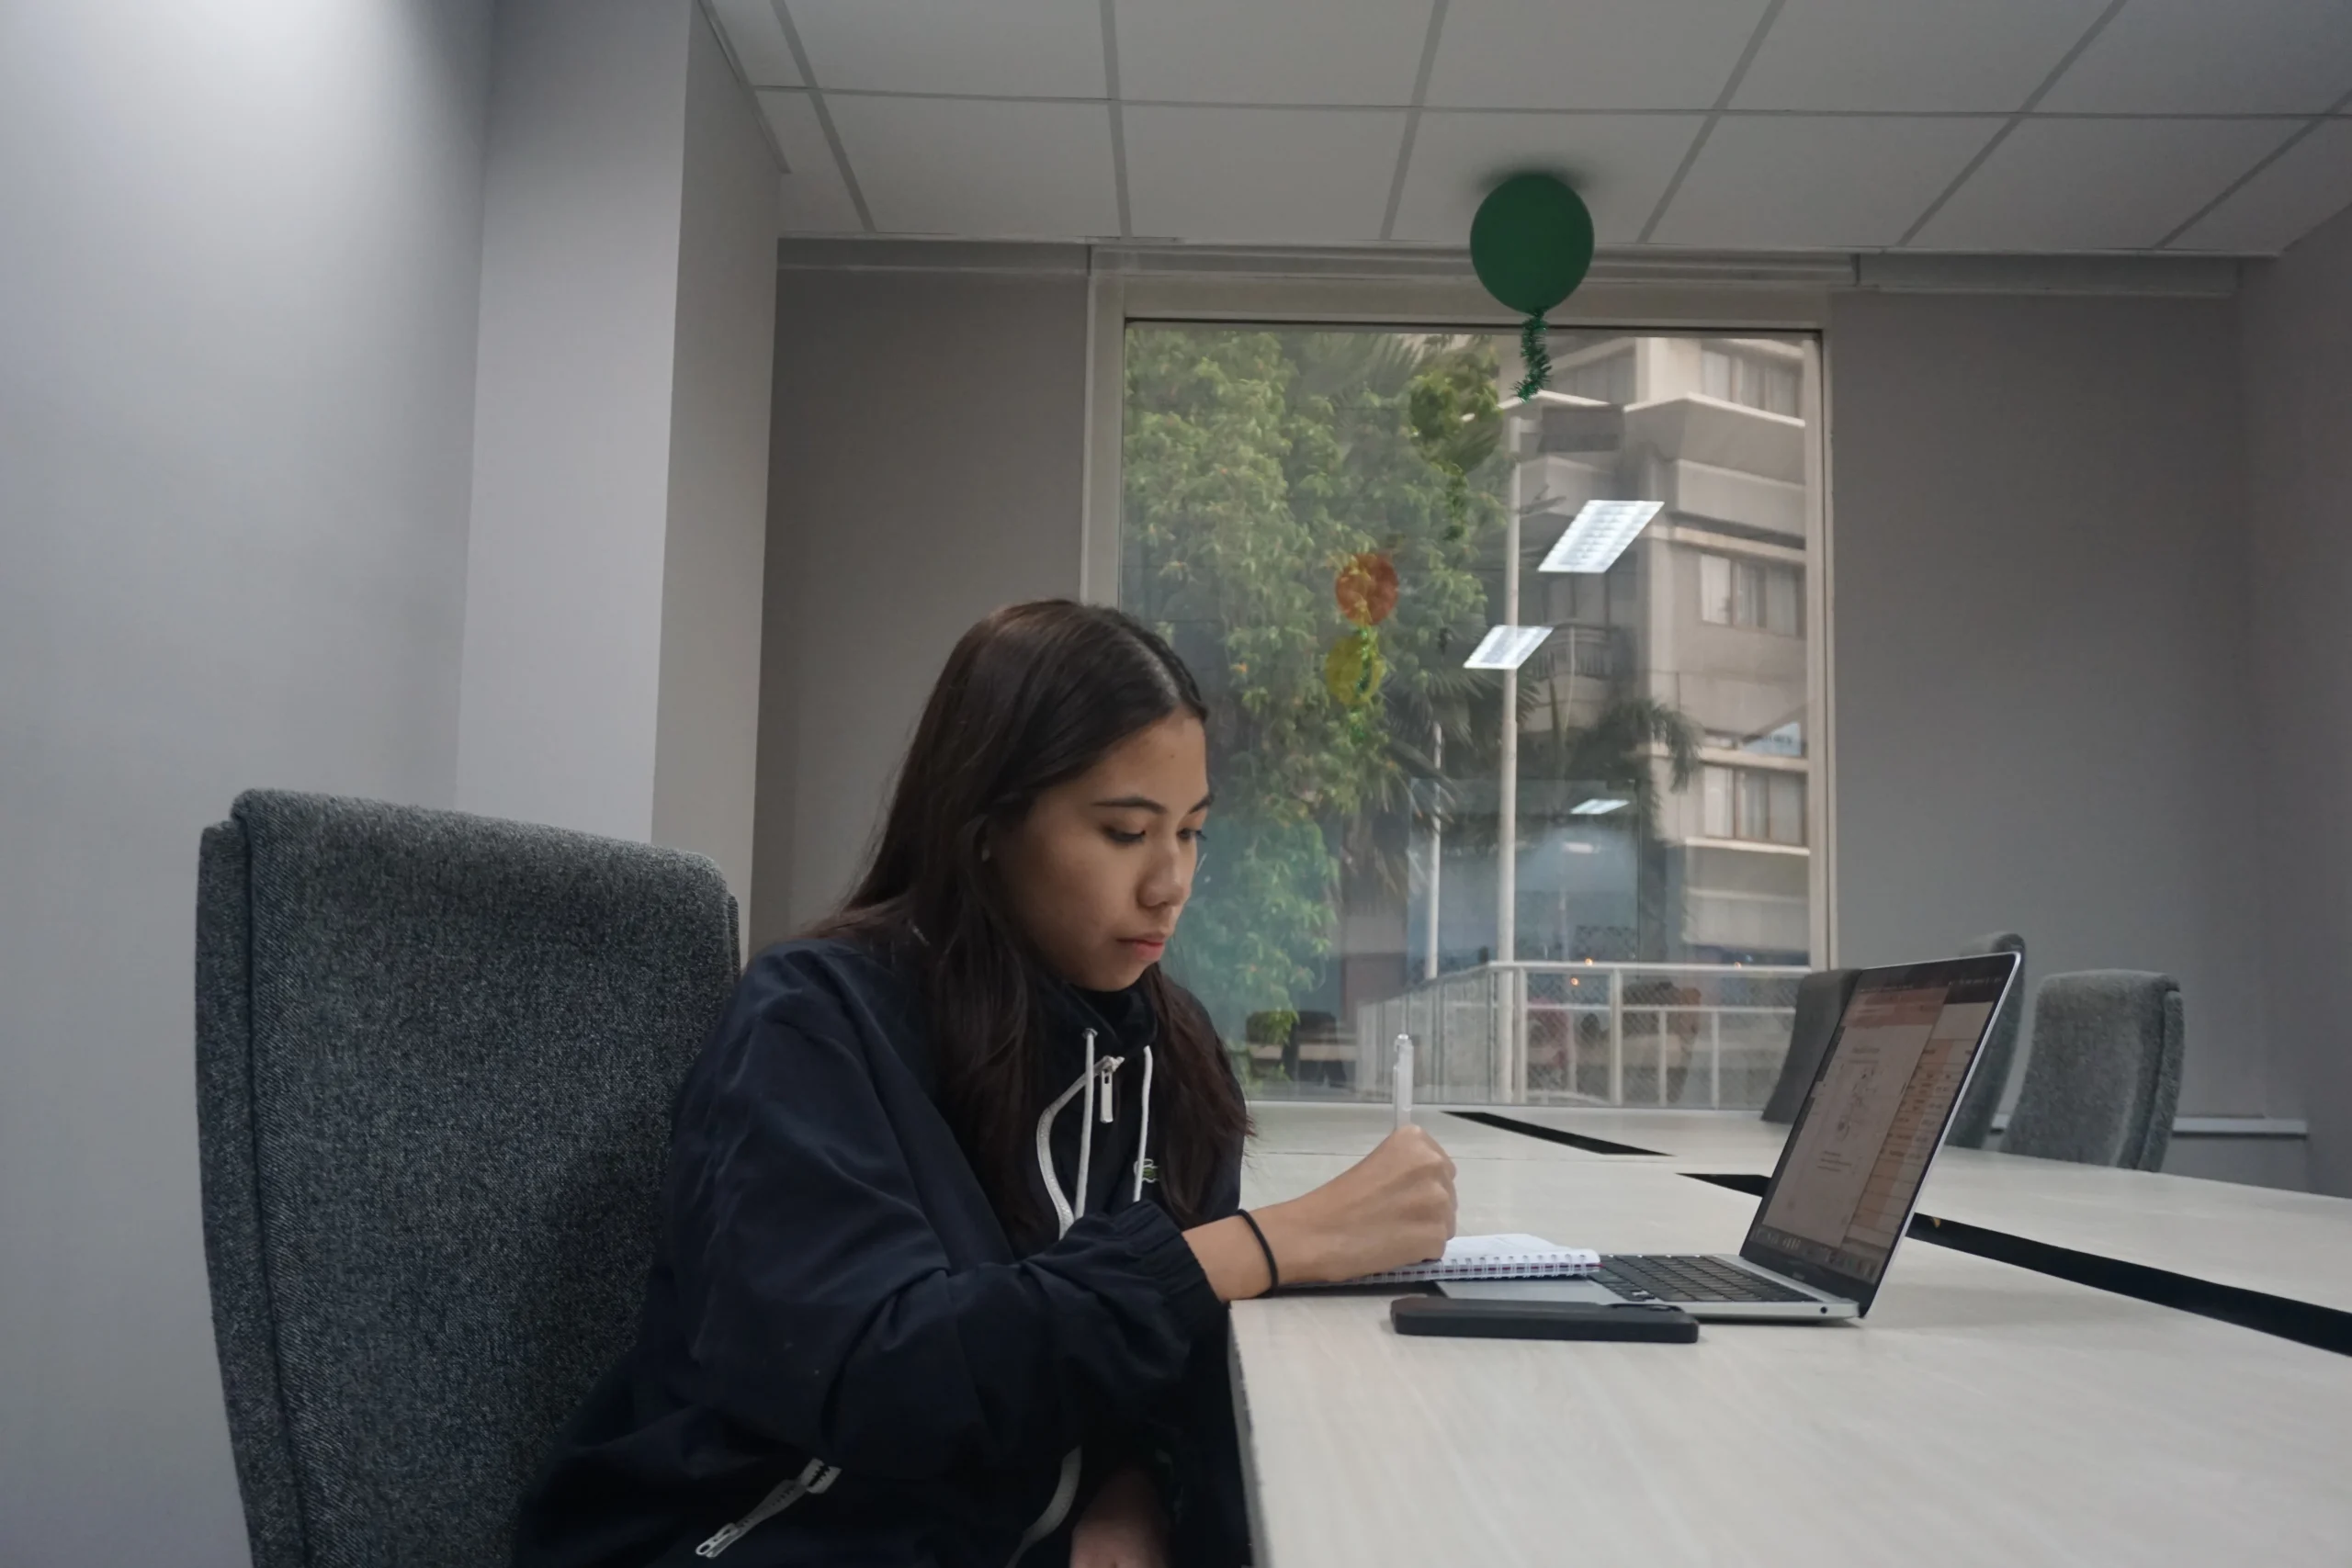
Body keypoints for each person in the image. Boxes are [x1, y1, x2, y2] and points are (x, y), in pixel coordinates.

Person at [514, 600, 1458, 1568]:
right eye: (1125, 832)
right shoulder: (814, 1020)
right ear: (986, 825)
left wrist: (1132, 1494)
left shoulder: (1171, 1056)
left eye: (1191, 833)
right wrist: (1262, 1244)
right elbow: (880, 1378)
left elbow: (1159, 1377)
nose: (1169, 881)